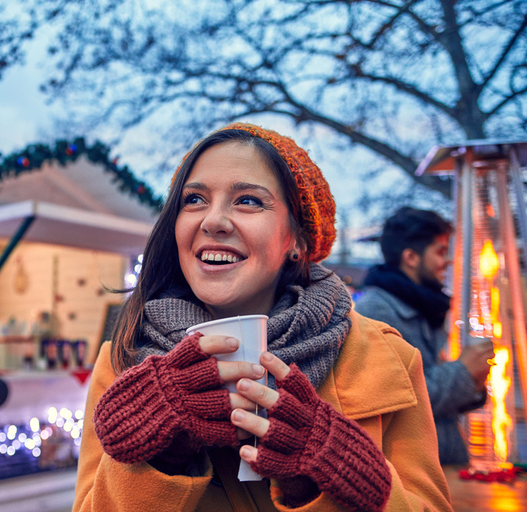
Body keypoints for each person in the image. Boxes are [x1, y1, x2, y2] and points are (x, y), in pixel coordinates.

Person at [73, 124, 452, 512]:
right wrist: (162, 458)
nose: (213, 220)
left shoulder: (387, 356)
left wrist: (342, 475)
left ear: (298, 240)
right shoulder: (124, 360)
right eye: (194, 199)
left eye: (248, 201)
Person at [355, 207, 492, 465]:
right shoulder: (376, 311)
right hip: (412, 479)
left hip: (441, 467)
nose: (447, 261)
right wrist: (464, 371)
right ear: (411, 257)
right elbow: (397, 400)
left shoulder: (423, 306)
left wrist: (474, 380)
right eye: (440, 251)